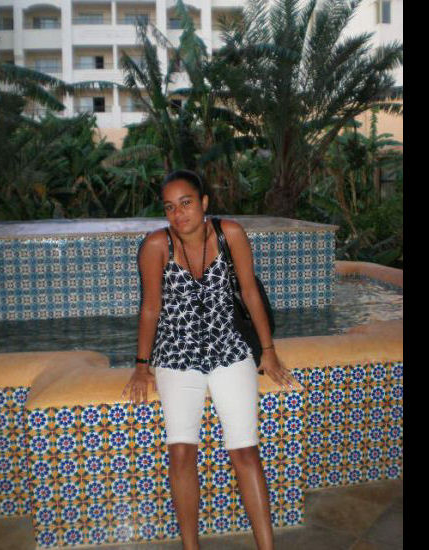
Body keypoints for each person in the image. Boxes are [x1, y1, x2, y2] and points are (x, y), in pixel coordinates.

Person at [121, 169, 302, 550]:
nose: (179, 214)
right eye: (170, 207)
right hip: (176, 354)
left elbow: (250, 294)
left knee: (245, 451)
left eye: (186, 203)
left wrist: (268, 352)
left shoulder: (229, 234)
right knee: (181, 452)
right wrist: (141, 366)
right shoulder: (156, 245)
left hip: (229, 350)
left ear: (204, 203)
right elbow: (151, 308)